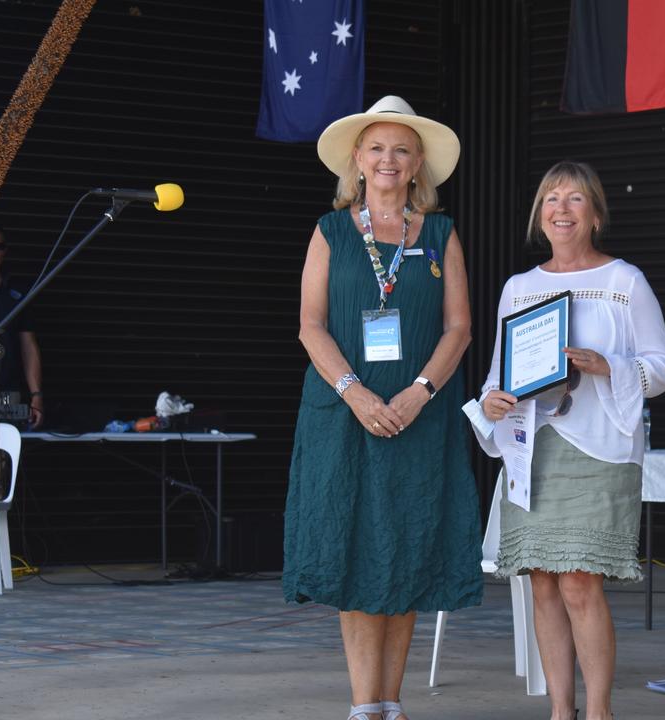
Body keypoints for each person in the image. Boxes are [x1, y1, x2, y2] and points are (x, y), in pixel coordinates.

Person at [283, 96, 483, 720]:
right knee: (353, 549)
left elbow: (459, 330)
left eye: (401, 148)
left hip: (419, 417)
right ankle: (362, 705)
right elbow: (311, 326)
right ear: (358, 161)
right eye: (377, 148)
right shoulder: (331, 230)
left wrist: (417, 393)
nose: (389, 159)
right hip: (345, 415)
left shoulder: (441, 235)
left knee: (408, 548)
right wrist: (357, 394)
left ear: (418, 161)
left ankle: (390, 704)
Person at [479, 161, 665, 720]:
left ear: (595, 214)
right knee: (543, 583)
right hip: (532, 448)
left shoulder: (624, 281)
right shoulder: (519, 288)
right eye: (550, 200)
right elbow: (499, 375)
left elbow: (664, 367)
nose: (561, 210)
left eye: (574, 200)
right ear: (540, 216)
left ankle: (599, 712)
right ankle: (560, 711)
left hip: (600, 447)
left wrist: (607, 365)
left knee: (580, 583)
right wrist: (494, 398)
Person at [0, 218, 44, 428]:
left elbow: (28, 345)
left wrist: (36, 394)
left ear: (5, 251)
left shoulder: (16, 292)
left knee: (1, 455)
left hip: (7, 393)